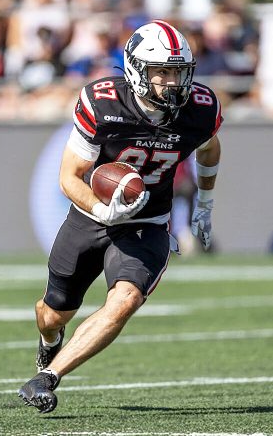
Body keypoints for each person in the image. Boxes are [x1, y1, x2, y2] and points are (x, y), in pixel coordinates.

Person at [17, 20, 222, 413]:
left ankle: (48, 377)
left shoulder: (199, 108)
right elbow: (69, 176)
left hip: (147, 222)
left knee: (124, 300)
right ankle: (48, 344)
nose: (173, 81)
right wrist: (101, 208)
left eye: (179, 71)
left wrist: (205, 204)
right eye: (162, 71)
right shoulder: (103, 102)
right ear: (136, 69)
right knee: (52, 313)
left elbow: (210, 150)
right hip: (90, 216)